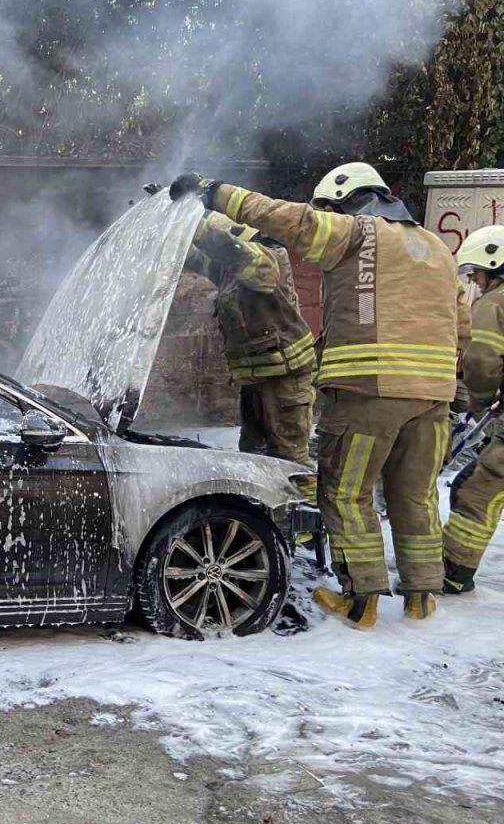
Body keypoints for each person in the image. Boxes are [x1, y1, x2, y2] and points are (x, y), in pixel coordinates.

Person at [170, 163, 466, 626]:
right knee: (416, 495)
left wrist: (212, 193)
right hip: (433, 397)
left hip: (368, 393)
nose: (326, 216)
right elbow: (462, 328)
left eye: (329, 208)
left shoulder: (358, 232)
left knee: (346, 494)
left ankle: (361, 601)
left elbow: (288, 219)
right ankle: (421, 597)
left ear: (344, 202)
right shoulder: (437, 248)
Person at [185, 212, 316, 491]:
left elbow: (236, 254)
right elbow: (195, 258)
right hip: (256, 377)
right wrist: (173, 226)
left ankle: (307, 515)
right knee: (253, 454)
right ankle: (264, 511)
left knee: (290, 461)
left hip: (285, 377)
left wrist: (196, 226)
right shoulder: (227, 268)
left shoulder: (266, 259)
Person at [442, 225, 504, 593]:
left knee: (475, 492)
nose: (474, 281)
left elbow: (481, 361)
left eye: (476, 272)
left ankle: (454, 571)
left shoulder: (494, 303)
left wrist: (479, 399)